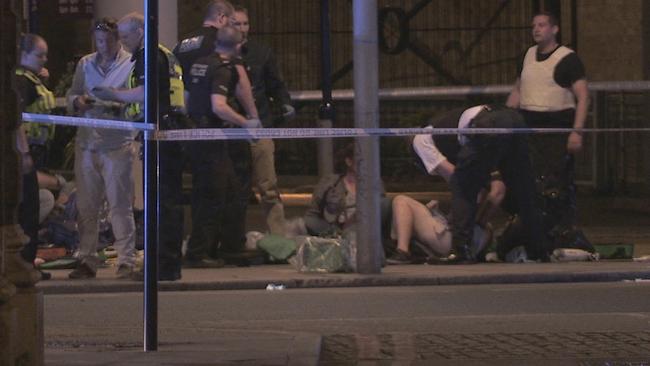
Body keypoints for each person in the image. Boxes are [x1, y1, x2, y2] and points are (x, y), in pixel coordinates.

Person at [92, 12, 184, 281]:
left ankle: (162, 267)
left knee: (160, 202)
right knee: (165, 201)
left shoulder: (149, 56)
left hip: (161, 135)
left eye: (124, 36)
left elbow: (145, 94)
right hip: (166, 132)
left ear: (140, 31)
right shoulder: (162, 53)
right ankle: (167, 264)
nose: (122, 41)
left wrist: (112, 93)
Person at [182, 26, 261, 266]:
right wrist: (246, 122)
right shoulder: (223, 69)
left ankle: (229, 247)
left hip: (199, 134)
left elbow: (186, 100)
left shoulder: (200, 62)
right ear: (238, 47)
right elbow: (219, 106)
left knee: (229, 190)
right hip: (212, 138)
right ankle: (198, 253)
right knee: (212, 196)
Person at [65, 17, 137, 280]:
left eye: (108, 40)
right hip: (87, 144)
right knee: (87, 207)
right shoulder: (85, 64)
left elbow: (138, 100)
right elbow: (71, 96)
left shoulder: (130, 63)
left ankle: (126, 260)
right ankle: (87, 259)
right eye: (99, 41)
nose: (103, 45)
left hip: (117, 144)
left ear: (117, 39)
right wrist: (78, 102)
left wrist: (117, 103)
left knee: (120, 206)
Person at [506, 11, 589, 227]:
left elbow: (583, 97)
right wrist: (503, 121)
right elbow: (517, 91)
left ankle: (561, 230)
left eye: (542, 25)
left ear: (554, 29)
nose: (536, 29)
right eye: (534, 25)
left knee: (557, 184)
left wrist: (576, 132)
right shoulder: (526, 56)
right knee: (528, 182)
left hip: (556, 131)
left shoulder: (568, 59)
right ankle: (532, 228)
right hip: (528, 129)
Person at [440, 105, 547, 264]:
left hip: (489, 123)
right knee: (525, 189)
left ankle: (461, 249)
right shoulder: (454, 128)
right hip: (512, 120)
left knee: (462, 184)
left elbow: (466, 176)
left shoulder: (424, 137)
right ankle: (538, 249)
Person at [232, 6, 295, 235]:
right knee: (235, 188)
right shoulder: (220, 53)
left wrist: (285, 102)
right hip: (232, 128)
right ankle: (233, 239)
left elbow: (275, 83)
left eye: (245, 23)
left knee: (268, 185)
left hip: (260, 127)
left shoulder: (261, 52)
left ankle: (279, 238)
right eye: (237, 24)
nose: (242, 28)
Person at [14, 33, 56, 280]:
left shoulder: (30, 79)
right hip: (25, 154)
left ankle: (27, 261)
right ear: (23, 54)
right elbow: (16, 117)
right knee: (27, 212)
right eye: (39, 55)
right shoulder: (22, 83)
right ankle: (24, 264)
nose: (44, 60)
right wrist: (24, 152)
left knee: (32, 208)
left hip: (32, 152)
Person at [304, 143, 392, 237]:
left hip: (365, 231)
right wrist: (331, 231)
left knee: (384, 203)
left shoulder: (375, 183)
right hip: (336, 230)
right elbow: (311, 216)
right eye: (361, 160)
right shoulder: (330, 183)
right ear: (349, 161)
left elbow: (381, 211)